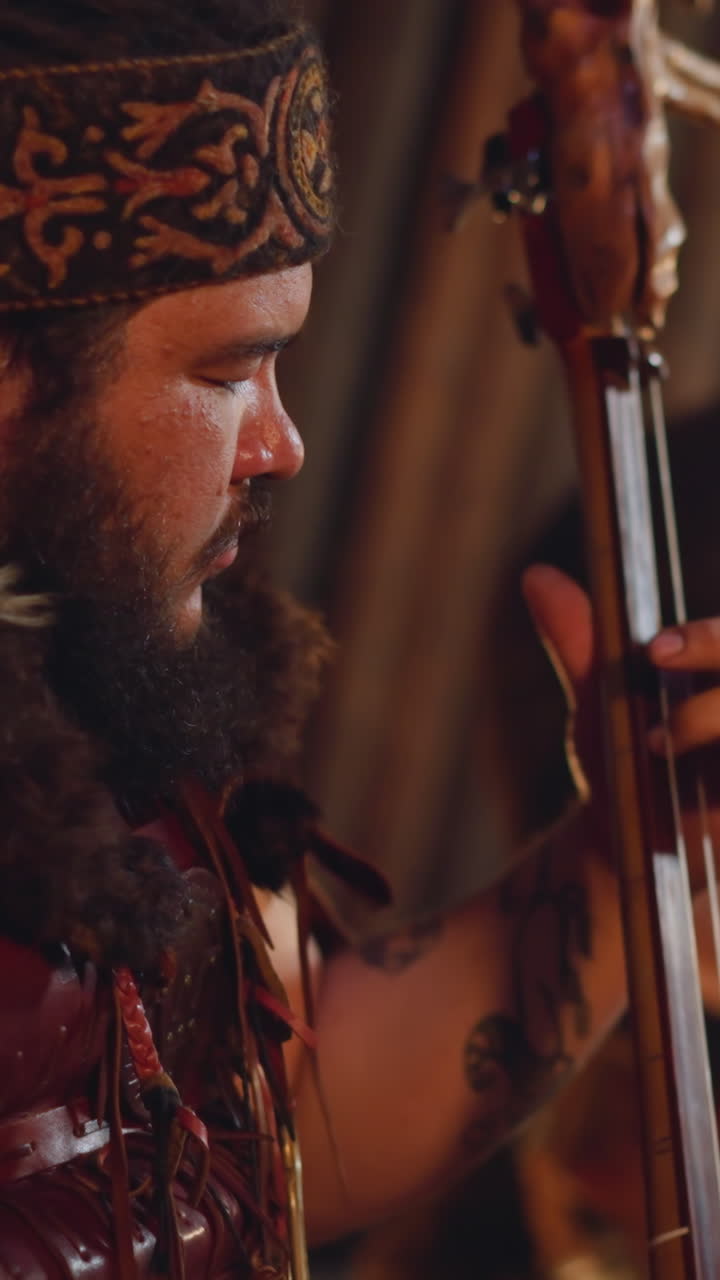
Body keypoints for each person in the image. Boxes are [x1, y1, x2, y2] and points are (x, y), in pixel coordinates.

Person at [0, 1, 718, 1276]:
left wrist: (622, 858)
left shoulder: (105, 661)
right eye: (229, 374)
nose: (283, 443)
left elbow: (287, 1135)